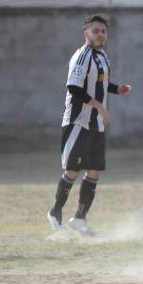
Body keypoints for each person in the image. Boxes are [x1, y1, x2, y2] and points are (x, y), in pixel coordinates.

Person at [46, 14, 132, 235]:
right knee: (73, 170)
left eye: (103, 31)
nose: (100, 34)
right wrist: (100, 107)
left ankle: (79, 218)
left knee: (95, 170)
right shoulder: (82, 56)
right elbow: (74, 88)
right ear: (86, 35)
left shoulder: (102, 56)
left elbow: (99, 83)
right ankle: (55, 212)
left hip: (96, 124)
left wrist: (116, 89)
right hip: (78, 121)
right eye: (95, 31)